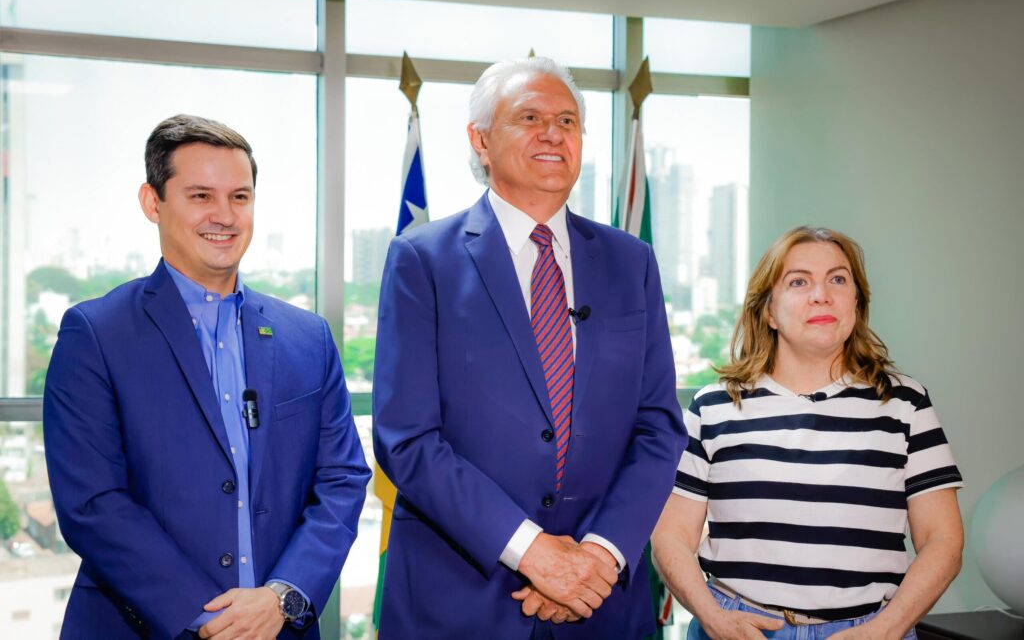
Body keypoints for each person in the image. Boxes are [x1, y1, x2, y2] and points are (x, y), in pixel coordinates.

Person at [372, 57, 687, 639]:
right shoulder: (423, 260)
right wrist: (534, 554)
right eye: (529, 118)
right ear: (480, 140)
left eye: (567, 121)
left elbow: (659, 426)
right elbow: (407, 438)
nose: (552, 133)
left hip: (600, 604)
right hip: (458, 603)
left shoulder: (631, 262)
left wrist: (598, 557)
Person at [44, 114, 370, 640]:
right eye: (200, 196)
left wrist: (282, 597)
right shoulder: (96, 334)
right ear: (152, 202)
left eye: (240, 197)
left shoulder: (308, 337)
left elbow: (342, 479)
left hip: (278, 627)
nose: (224, 215)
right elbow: (93, 503)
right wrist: (211, 618)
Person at [652, 226, 964, 640]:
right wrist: (712, 616)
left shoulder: (906, 403)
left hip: (871, 631)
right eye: (798, 282)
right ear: (768, 311)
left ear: (856, 302)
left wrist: (886, 630)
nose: (822, 295)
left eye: (838, 279)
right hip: (739, 628)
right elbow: (671, 536)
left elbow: (943, 540)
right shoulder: (714, 406)